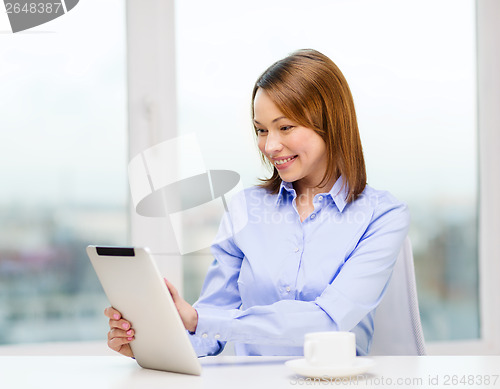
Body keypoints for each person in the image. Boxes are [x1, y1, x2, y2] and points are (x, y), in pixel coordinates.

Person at [105, 49, 410, 358]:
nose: (270, 145)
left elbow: (328, 322)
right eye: (261, 130)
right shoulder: (245, 209)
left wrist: (199, 319)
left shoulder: (382, 216)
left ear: (329, 123)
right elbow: (210, 328)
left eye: (285, 127)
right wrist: (151, 343)